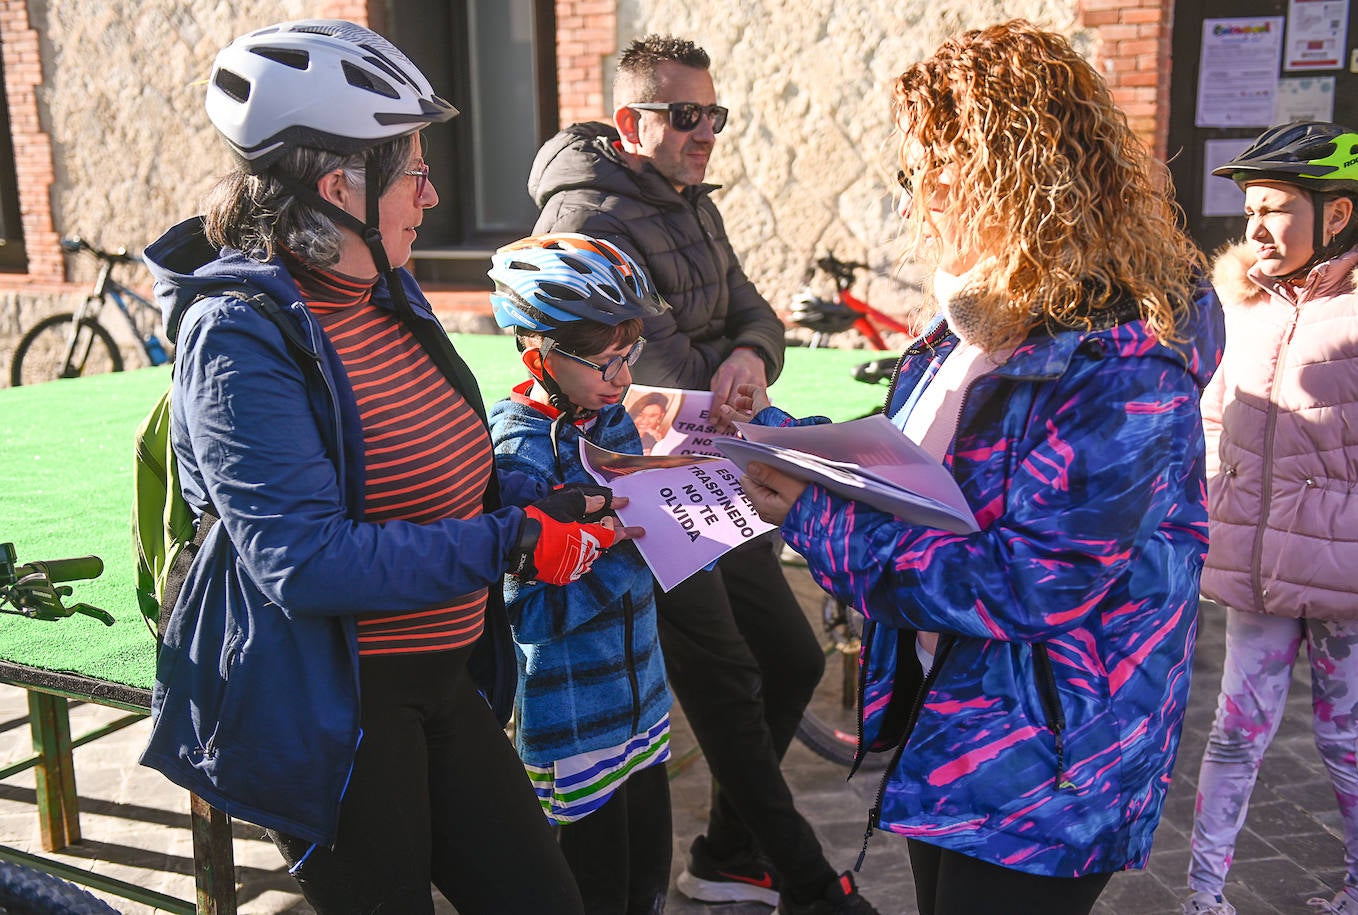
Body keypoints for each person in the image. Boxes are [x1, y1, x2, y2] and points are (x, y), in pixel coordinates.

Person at [137, 21, 634, 915]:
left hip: (443, 676)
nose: (433, 194)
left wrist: (537, 498)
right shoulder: (239, 337)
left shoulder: (381, 284)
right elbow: (306, 561)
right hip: (340, 708)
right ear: (339, 188)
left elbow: (440, 464)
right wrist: (511, 538)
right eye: (413, 172)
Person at [733, 20, 1219, 915]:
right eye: (914, 173)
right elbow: (910, 471)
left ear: (1019, 173)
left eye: (937, 172)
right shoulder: (982, 320)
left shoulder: (1126, 365)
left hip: (1053, 761)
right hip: (954, 724)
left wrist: (810, 515)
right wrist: (771, 435)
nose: (921, 199)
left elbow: (1024, 582)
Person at [529, 34, 875, 915]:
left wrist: (751, 355)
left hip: (711, 468)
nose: (705, 131)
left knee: (788, 656)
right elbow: (654, 366)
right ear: (629, 121)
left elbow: (754, 311)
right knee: (728, 682)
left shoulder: (690, 203)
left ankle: (725, 851)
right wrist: (728, 369)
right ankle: (803, 878)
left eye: (713, 114)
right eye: (685, 115)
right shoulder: (586, 217)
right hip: (636, 487)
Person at [1182, 122, 1358, 915]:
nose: (1255, 226)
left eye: (1277, 207)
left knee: (1348, 743)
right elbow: (1215, 422)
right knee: (1231, 735)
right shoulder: (1246, 311)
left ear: (1336, 214)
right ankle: (1203, 894)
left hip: (1347, 576)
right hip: (1255, 570)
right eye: (1250, 208)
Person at [487, 233, 673, 914]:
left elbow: (638, 517)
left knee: (647, 877)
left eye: (631, 355)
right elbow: (528, 613)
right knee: (596, 891)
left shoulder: (611, 416)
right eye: (606, 362)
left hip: (644, 704)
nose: (624, 378)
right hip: (575, 721)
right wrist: (632, 552)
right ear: (540, 357)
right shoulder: (517, 451)